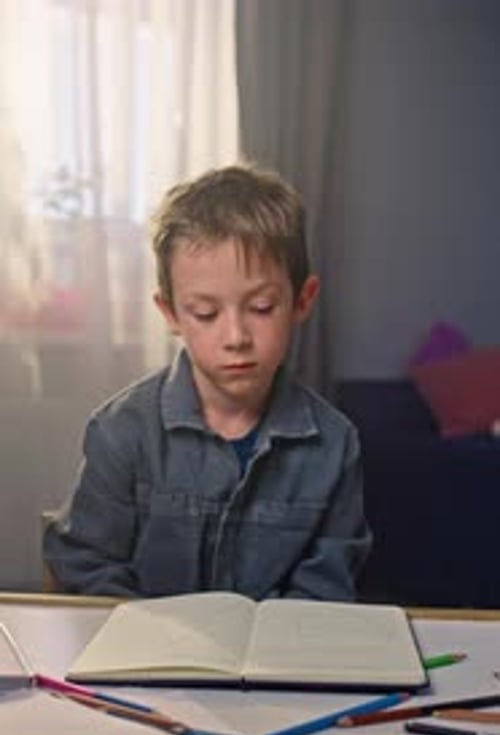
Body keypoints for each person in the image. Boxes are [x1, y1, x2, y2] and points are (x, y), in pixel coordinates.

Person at [44, 163, 371, 600]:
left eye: (261, 307)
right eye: (206, 313)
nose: (236, 337)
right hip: (147, 659)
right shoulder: (121, 432)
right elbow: (85, 565)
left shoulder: (335, 444)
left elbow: (327, 586)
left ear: (302, 300)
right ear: (172, 314)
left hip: (277, 662)